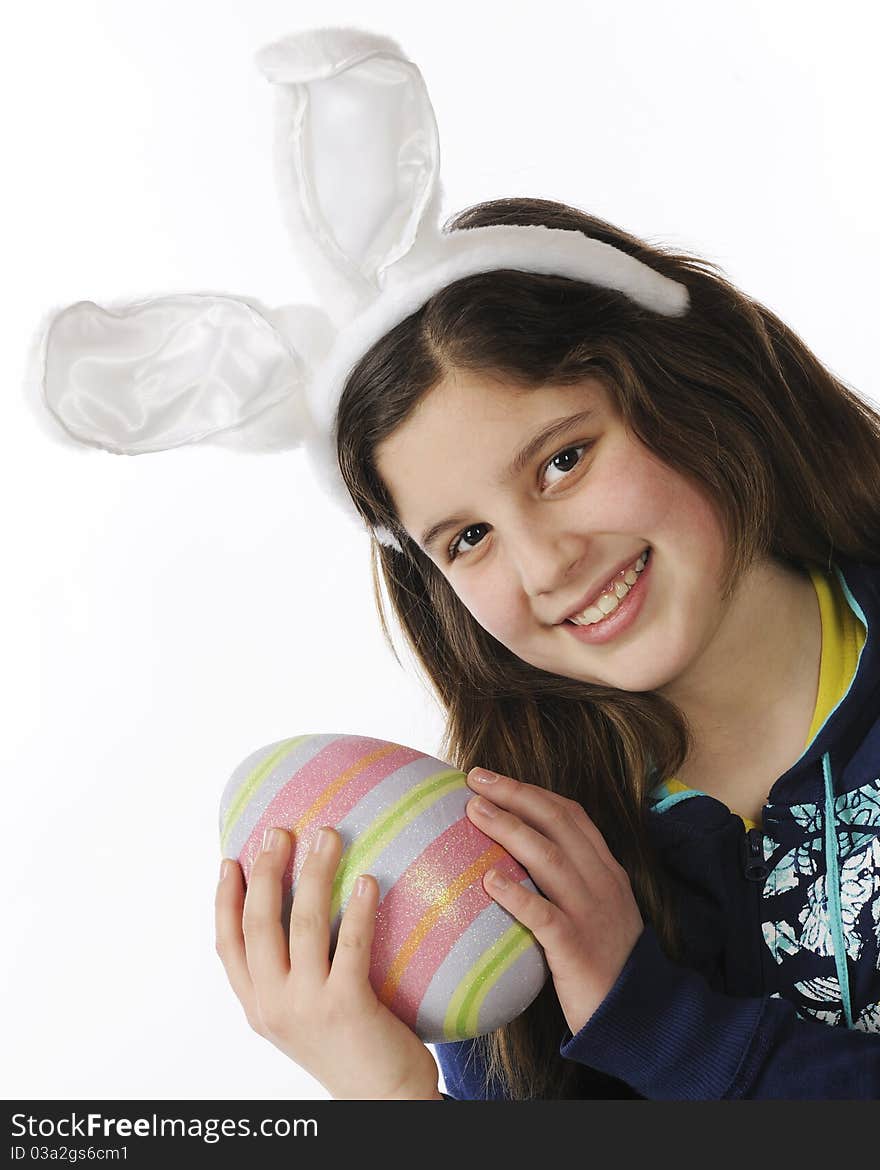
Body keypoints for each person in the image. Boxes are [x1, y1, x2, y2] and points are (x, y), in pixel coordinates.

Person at [214, 195, 880, 1100]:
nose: (547, 565)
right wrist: (394, 1106)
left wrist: (654, 1021)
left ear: (689, 387)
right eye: (469, 539)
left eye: (563, 461)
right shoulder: (517, 877)